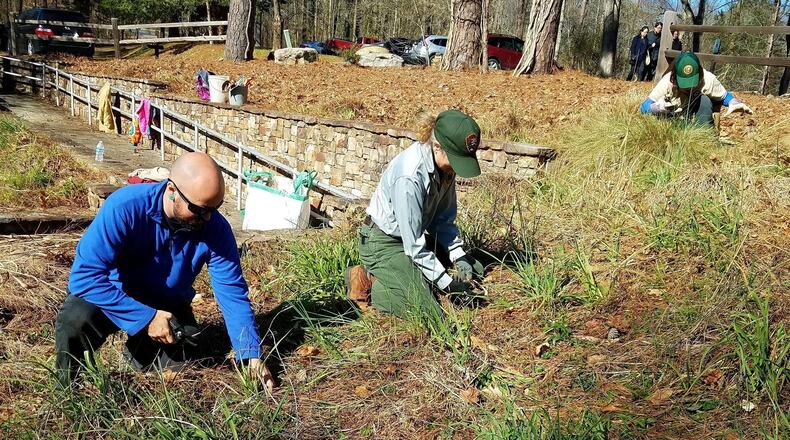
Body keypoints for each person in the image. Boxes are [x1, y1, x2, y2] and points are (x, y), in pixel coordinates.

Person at [55, 152, 273, 391]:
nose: (208, 218)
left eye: (215, 208)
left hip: (168, 303)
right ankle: (69, 389)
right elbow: (84, 277)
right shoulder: (124, 207)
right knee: (75, 319)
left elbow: (232, 292)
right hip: (116, 295)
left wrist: (249, 354)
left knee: (184, 362)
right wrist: (147, 317)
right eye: (199, 209)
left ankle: (137, 354)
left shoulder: (215, 228)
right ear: (171, 190)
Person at [345, 109, 485, 326]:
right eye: (456, 159)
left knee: (474, 268)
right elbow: (415, 247)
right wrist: (448, 285)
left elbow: (443, 222)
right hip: (383, 242)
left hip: (412, 237)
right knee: (425, 309)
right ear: (437, 146)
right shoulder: (409, 177)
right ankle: (368, 279)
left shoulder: (445, 166)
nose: (457, 168)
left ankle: (412, 277)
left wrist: (459, 256)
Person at [639, 51, 753, 126]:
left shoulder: (708, 79)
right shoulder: (667, 82)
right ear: (675, 77)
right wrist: (657, 107)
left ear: (700, 74)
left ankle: (703, 137)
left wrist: (734, 102)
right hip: (672, 120)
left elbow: (724, 96)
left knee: (705, 100)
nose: (689, 88)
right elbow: (643, 107)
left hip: (697, 115)